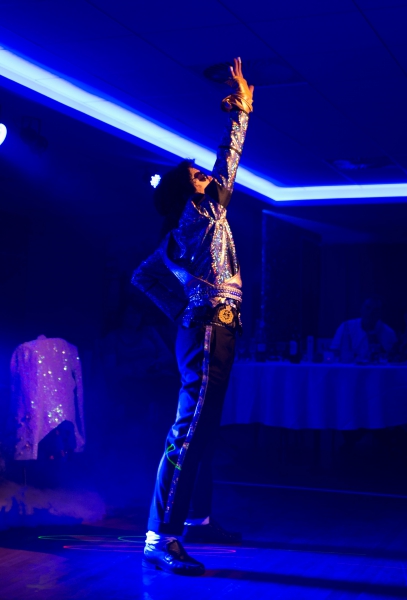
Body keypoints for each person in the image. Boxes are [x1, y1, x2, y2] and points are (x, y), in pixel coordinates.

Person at [131, 57, 253, 576]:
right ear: (189, 190)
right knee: (189, 430)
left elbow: (142, 276)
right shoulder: (198, 212)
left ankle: (194, 520)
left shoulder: (185, 229)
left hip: (210, 327)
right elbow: (228, 163)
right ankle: (160, 538)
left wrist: (179, 307)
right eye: (198, 176)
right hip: (207, 331)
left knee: (201, 429)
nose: (208, 178)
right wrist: (241, 110)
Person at [330, 296, 396, 362]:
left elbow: (391, 358)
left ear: (381, 313)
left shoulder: (389, 333)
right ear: (361, 309)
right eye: (367, 308)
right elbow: (334, 352)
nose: (370, 313)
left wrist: (372, 332)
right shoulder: (346, 326)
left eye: (376, 310)